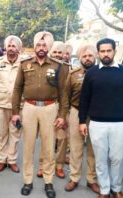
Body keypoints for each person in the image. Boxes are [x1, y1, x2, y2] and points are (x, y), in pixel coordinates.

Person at [11, 31, 69, 198]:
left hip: (50, 109)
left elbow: (63, 93)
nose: (41, 48)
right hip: (29, 108)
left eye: (44, 45)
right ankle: (28, 181)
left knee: (49, 147)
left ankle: (48, 181)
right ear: (34, 47)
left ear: (49, 47)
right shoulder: (25, 64)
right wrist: (15, 112)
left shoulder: (57, 66)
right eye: (38, 45)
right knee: (28, 146)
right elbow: (17, 89)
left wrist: (62, 115)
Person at [79, 38, 123, 198]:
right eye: (102, 51)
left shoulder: (122, 71)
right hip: (97, 124)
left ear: (114, 51)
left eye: (108, 50)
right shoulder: (91, 73)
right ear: (98, 53)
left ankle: (116, 188)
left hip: (119, 123)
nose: (106, 54)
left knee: (118, 158)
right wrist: (82, 121)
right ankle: (104, 190)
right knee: (101, 159)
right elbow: (84, 98)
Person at [58, 44, 100, 194]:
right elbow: (65, 97)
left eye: (90, 55)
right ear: (80, 58)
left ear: (95, 56)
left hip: (96, 116)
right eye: (84, 56)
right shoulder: (73, 74)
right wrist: (64, 116)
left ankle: (91, 179)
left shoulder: (101, 73)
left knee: (93, 149)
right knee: (76, 147)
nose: (87, 58)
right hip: (76, 113)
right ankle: (74, 177)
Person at [0, 35, 23, 174]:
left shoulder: (24, 64)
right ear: (6, 48)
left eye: (14, 46)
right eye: (9, 46)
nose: (11, 48)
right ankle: (2, 160)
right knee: (2, 134)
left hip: (17, 106)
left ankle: (12, 160)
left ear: (18, 48)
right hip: (1, 105)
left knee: (14, 134)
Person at [37, 41, 68, 179]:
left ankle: (59, 166)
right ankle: (43, 165)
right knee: (46, 137)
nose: (57, 55)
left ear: (64, 54)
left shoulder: (69, 69)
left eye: (60, 52)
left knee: (61, 138)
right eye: (54, 52)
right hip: (49, 106)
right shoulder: (46, 67)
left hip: (64, 107)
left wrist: (64, 113)